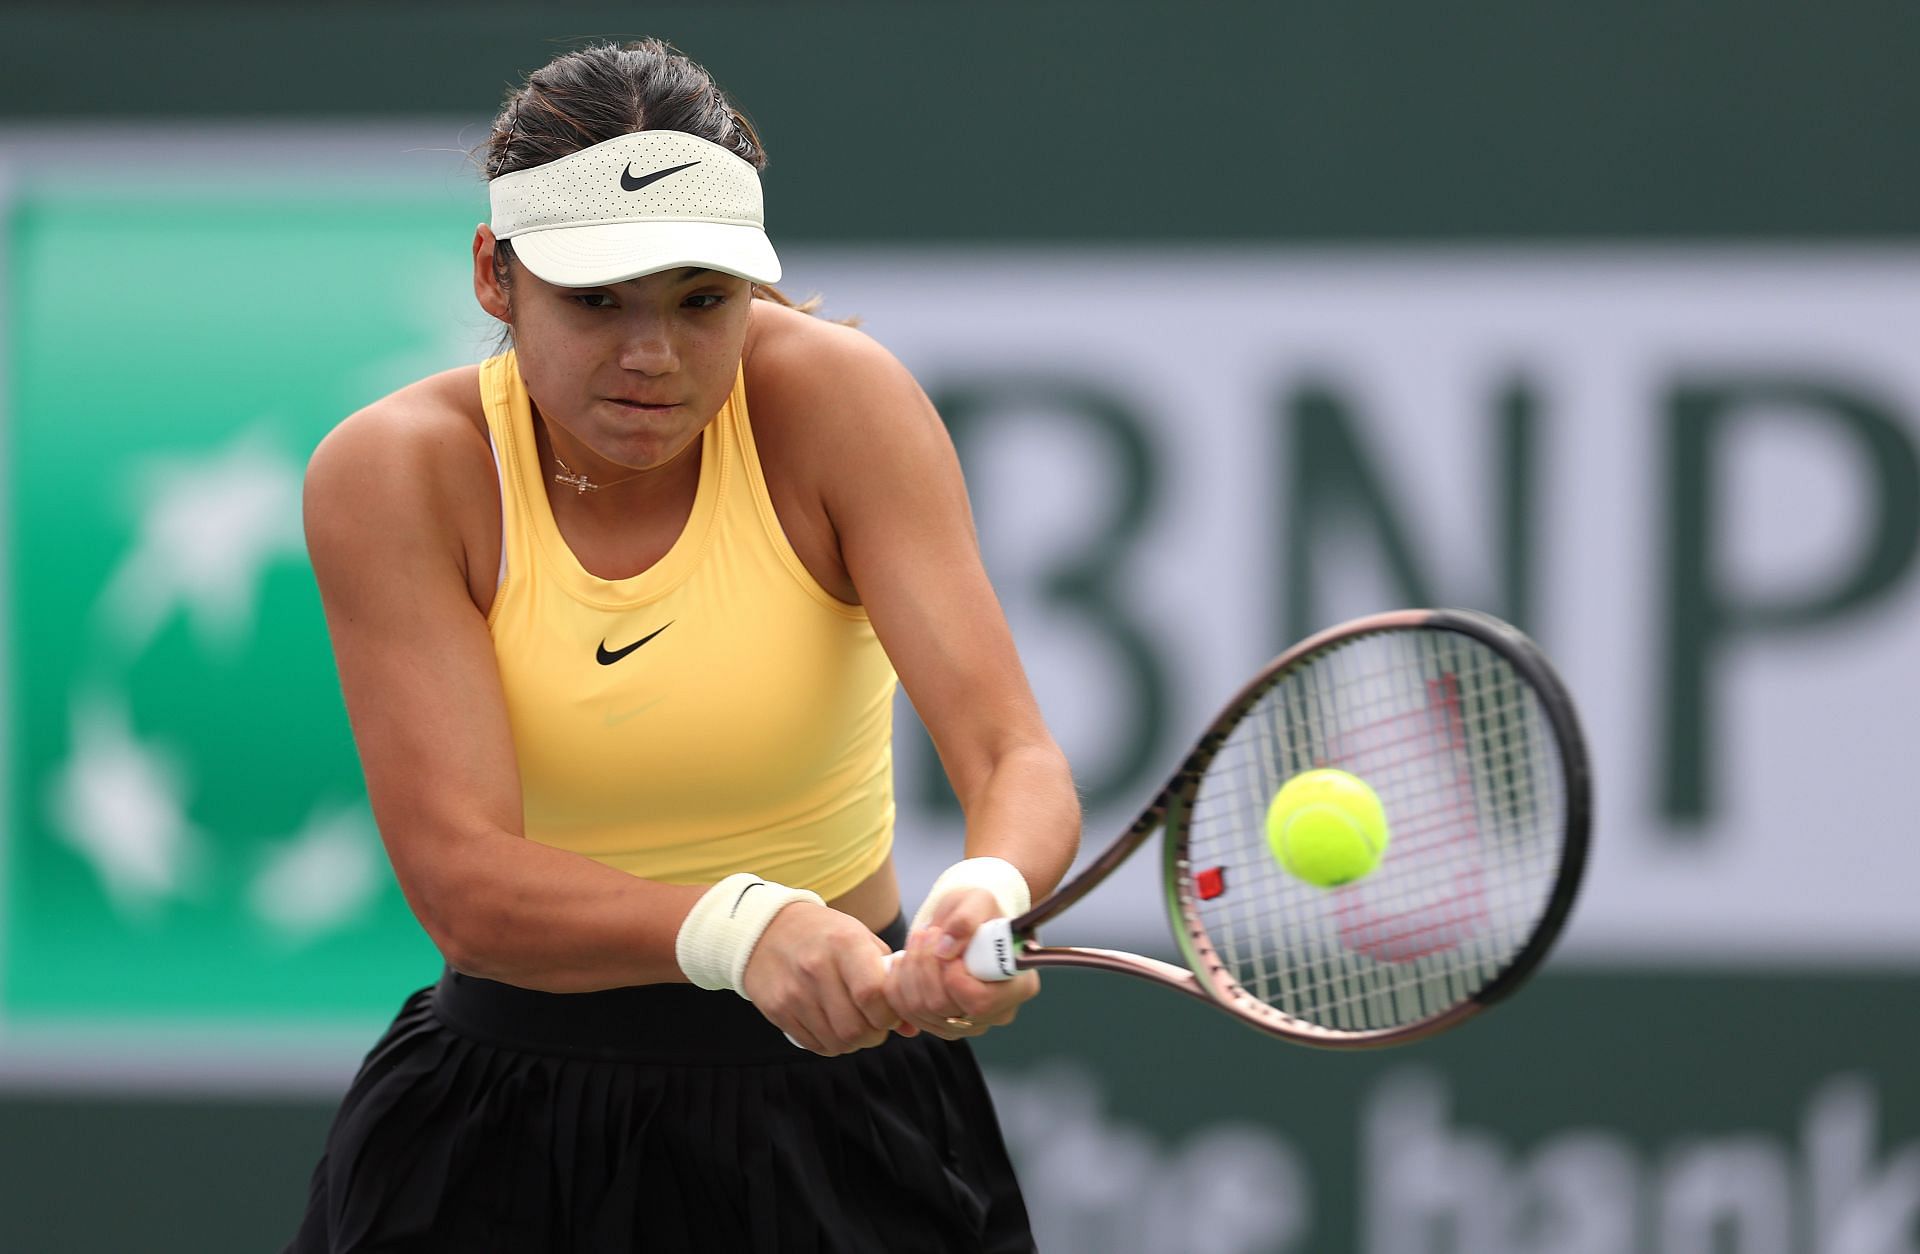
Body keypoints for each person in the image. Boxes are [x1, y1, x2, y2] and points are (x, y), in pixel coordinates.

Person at [285, 37, 1080, 1254]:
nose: (652, 356)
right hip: (499, 1140)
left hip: (846, 1121)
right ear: (498, 277)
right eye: (598, 300)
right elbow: (466, 885)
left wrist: (987, 889)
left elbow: (1011, 755)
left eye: (702, 300)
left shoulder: (841, 406)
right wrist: (747, 927)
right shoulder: (396, 473)